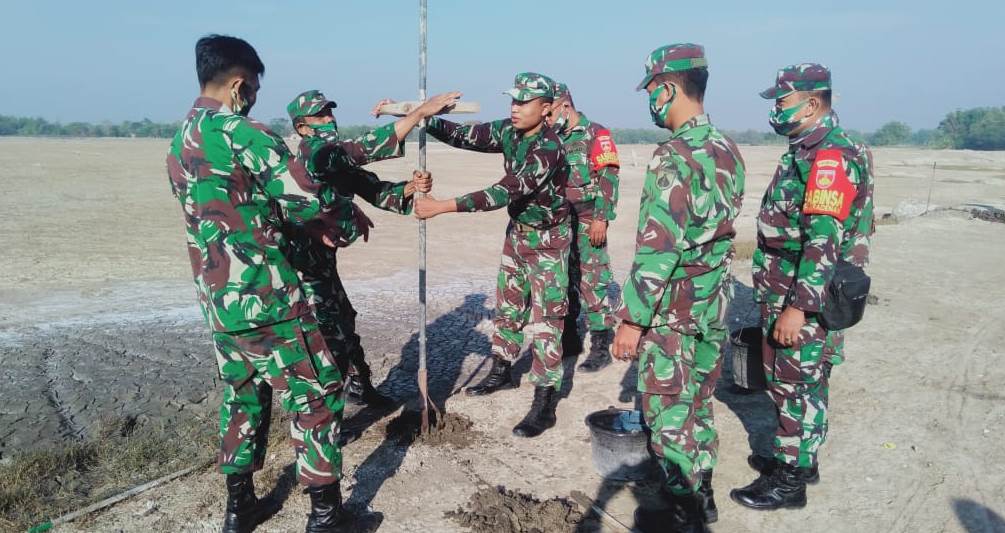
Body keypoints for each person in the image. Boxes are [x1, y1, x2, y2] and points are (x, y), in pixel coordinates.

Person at [167, 35, 392, 533]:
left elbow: (233, 208)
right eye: (253, 89)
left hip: (218, 301)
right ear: (239, 85)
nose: (253, 98)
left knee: (242, 398)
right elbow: (304, 197)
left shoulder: (180, 141)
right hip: (269, 298)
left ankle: (239, 509)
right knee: (317, 396)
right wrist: (341, 213)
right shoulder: (243, 132)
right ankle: (326, 516)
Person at [610, 44, 745, 532]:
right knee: (699, 400)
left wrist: (632, 320)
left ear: (668, 89)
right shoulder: (728, 148)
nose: (650, 101)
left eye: (651, 90)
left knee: (667, 410)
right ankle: (702, 491)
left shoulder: (673, 156)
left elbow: (658, 249)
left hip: (675, 310)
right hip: (713, 303)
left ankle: (684, 506)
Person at [730, 63, 874, 511]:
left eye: (783, 101)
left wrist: (798, 308)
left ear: (812, 104)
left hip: (802, 294)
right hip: (802, 289)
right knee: (810, 380)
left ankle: (788, 482)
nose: (776, 109)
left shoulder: (828, 156)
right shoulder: (812, 148)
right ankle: (802, 460)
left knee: (792, 384)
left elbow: (822, 241)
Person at [409, 72, 572, 438]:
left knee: (547, 319)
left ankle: (545, 400)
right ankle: (502, 370)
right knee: (509, 305)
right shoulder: (509, 131)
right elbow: (464, 135)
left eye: (524, 102)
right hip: (519, 232)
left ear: (546, 109)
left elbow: (504, 192)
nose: (515, 108)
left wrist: (442, 206)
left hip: (548, 239)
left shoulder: (548, 148)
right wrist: (422, 115)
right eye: (513, 101)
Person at [283, 89, 459, 408]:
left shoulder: (335, 160)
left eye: (330, 112)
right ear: (302, 128)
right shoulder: (314, 154)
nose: (329, 120)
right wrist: (419, 113)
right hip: (299, 266)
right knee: (325, 335)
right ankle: (328, 414)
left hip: (323, 262)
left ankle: (361, 389)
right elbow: (359, 149)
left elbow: (372, 188)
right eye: (320, 116)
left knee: (344, 321)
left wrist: (411, 188)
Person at [545, 81, 620, 372]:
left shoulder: (596, 134)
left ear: (565, 106)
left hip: (589, 220)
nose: (547, 118)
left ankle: (601, 345)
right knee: (563, 279)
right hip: (561, 222)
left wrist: (602, 218)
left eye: (550, 112)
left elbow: (608, 177)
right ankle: (570, 339)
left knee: (593, 280)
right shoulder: (552, 137)